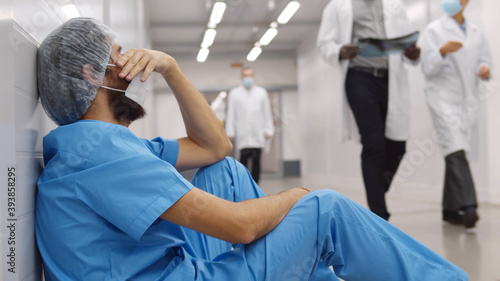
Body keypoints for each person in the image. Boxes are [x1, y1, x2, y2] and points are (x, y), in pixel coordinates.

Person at [35, 17, 467, 281]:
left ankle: (298, 265)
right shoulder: (104, 152)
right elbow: (240, 228)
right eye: (119, 56)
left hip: (160, 268)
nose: (131, 62)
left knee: (225, 173)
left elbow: (214, 147)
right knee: (325, 210)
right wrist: (298, 197)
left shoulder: (88, 147)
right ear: (94, 73)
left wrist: (170, 66)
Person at [317, 0, 421, 220]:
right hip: (359, 77)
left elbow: (405, 43)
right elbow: (324, 44)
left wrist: (412, 54)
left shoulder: (395, 5)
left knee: (397, 145)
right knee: (373, 144)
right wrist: (340, 50)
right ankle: (379, 215)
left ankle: (376, 190)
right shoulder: (338, 6)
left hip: (391, 79)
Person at [420, 0, 493, 228]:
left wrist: (485, 69)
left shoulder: (476, 32)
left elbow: (485, 60)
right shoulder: (433, 30)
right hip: (442, 98)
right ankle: (469, 206)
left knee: (458, 150)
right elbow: (426, 67)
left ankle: (450, 210)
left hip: (467, 101)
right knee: (455, 149)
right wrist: (442, 51)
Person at [225, 67, 274, 184]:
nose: (248, 78)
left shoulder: (261, 93)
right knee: (243, 163)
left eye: (250, 75)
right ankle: (243, 186)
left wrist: (269, 130)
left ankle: (256, 186)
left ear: (254, 77)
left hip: (258, 133)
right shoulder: (234, 93)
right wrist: (230, 132)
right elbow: (231, 114)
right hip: (243, 135)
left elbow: (267, 112)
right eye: (246, 75)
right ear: (242, 77)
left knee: (257, 162)